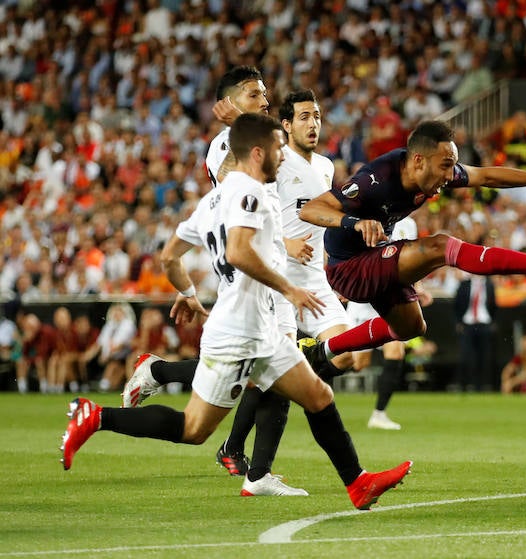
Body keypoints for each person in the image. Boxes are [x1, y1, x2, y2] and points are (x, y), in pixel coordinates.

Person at [61, 113, 411, 510]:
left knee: (317, 394)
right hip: (239, 333)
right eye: (278, 148)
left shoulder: (213, 200)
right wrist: (290, 289)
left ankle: (357, 484)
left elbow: (169, 256)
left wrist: (189, 293)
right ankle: (95, 416)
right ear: (258, 151)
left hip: (260, 329)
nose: (283, 155)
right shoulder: (251, 193)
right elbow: (238, 251)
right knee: (193, 429)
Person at [123, 68, 309, 496]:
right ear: (230, 103)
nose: (265, 100)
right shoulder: (223, 146)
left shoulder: (269, 137)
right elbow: (234, 188)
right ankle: (251, 467)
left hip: (273, 268)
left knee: (266, 371)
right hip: (249, 276)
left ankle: (246, 461)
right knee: (271, 369)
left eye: (265, 92)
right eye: (253, 94)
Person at [297, 120, 526, 372]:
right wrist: (354, 222)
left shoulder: (432, 171)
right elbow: (310, 209)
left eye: (452, 166)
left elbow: (486, 176)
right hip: (348, 267)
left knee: (411, 328)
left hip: (375, 257)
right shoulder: (376, 179)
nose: (449, 176)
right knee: (440, 246)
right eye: (445, 166)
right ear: (418, 160)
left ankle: (322, 350)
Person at [343, 215, 428, 430]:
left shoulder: (409, 224)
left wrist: (418, 287)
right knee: (355, 363)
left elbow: (412, 261)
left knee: (396, 352)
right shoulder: (372, 217)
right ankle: (307, 369)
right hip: (364, 299)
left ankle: (379, 414)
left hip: (391, 300)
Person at [453, 270, 497, 392]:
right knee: (466, 356)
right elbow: (456, 304)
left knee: (484, 356)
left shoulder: (489, 284)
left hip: (484, 324)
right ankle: (464, 384)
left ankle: (482, 385)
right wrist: (458, 322)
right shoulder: (464, 284)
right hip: (468, 323)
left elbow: (493, 305)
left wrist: (492, 322)